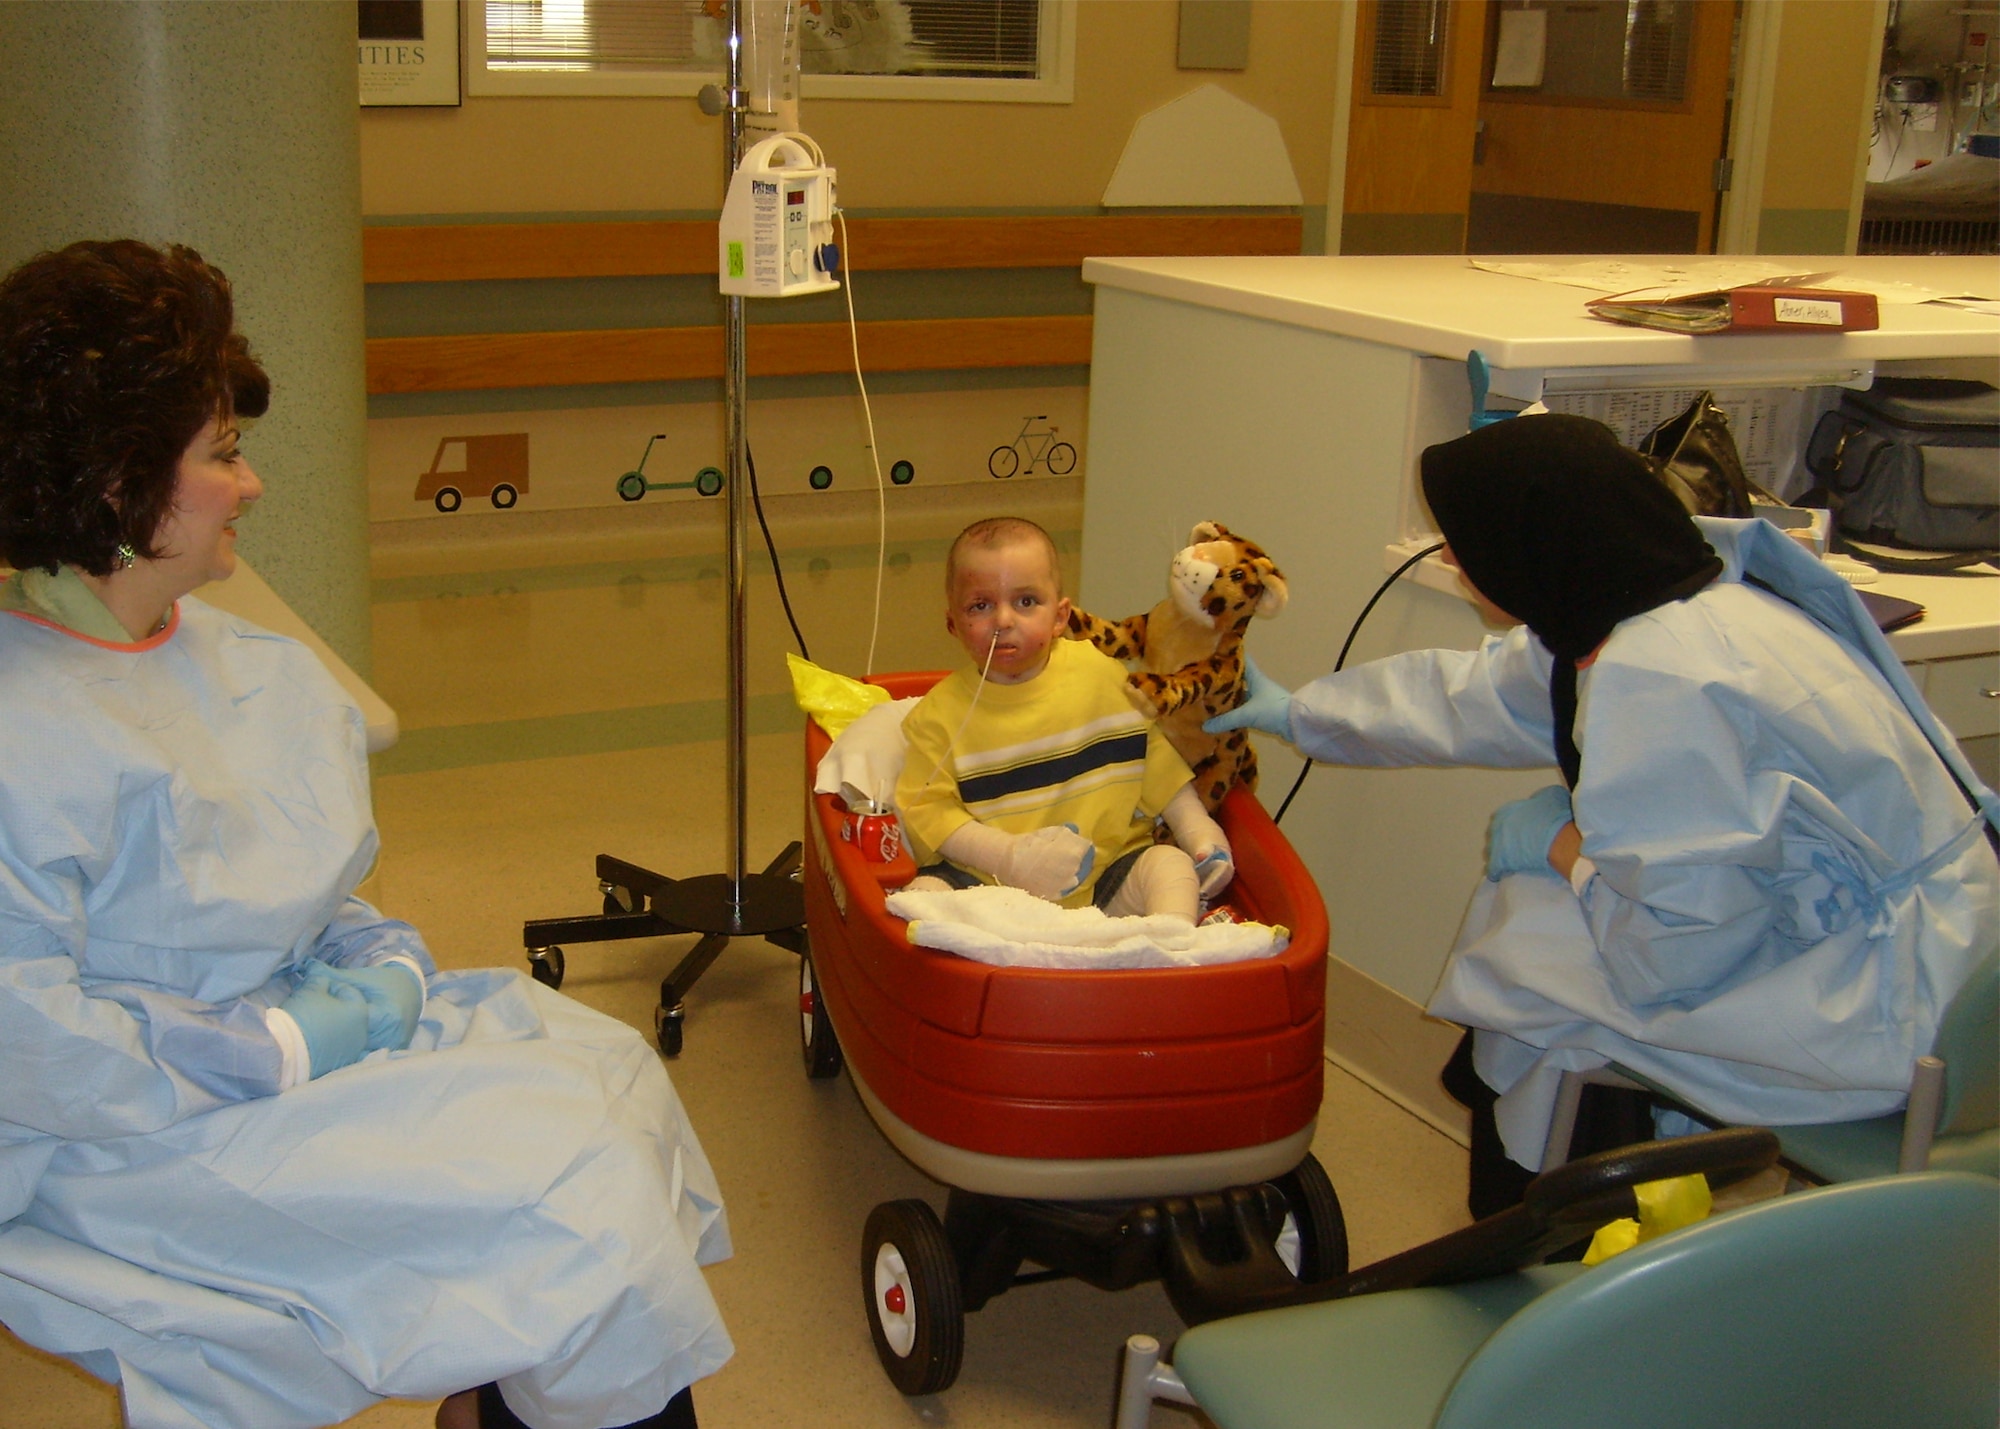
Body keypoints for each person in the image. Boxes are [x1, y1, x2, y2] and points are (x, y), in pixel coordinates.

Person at [0, 240, 732, 1429]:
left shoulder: (252, 665)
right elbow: (26, 1036)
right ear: (116, 481)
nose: (252, 486)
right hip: (135, 1130)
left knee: (606, 1082)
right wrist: (266, 1049)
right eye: (223, 454)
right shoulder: (21, 724)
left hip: (296, 1050)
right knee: (558, 1195)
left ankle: (507, 1403)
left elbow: (307, 887)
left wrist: (375, 960)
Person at [1210, 414, 1999, 1215]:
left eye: (1463, 541)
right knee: (1533, 928)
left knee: (1523, 957)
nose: (1450, 558)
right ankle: (1594, 1181)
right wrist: (1298, 712)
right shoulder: (1656, 600)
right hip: (1918, 939)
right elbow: (1472, 696)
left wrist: (1564, 849)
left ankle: (1554, 1220)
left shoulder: (1662, 679)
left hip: (1885, 1005)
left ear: (1529, 549)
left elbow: (1679, 953)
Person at [895, 517, 1234, 922]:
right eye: (980, 606)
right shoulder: (939, 717)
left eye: (1025, 602)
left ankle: (1169, 954)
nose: (1003, 620)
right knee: (920, 901)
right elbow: (928, 813)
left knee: (1170, 868)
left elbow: (1153, 760)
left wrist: (1197, 831)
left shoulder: (1100, 675)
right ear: (953, 623)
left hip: (1107, 876)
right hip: (988, 886)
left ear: (1060, 616)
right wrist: (1010, 858)